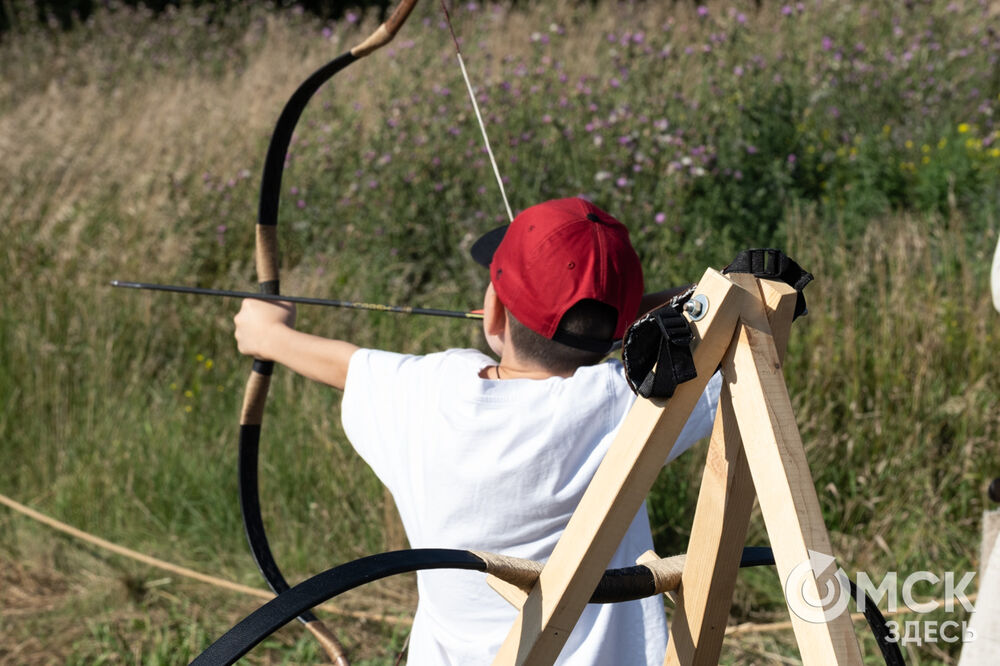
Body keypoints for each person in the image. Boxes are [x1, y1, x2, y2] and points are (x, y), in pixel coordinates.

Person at [233, 197, 721, 665]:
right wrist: (629, 320)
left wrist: (268, 334)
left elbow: (350, 367)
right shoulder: (624, 399)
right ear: (616, 333)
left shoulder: (429, 391)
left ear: (492, 313)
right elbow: (719, 316)